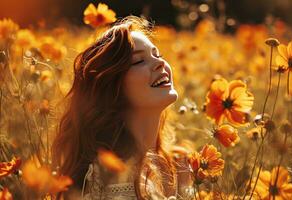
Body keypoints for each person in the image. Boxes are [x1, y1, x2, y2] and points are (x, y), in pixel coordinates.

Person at [52, 16, 192, 200]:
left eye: (158, 55)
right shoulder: (114, 179)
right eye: (138, 61)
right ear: (112, 89)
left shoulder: (178, 162)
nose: (159, 63)